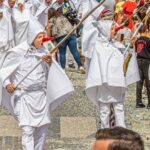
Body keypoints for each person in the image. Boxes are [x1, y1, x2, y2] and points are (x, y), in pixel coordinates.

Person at [0, 18, 74, 150]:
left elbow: (48, 75)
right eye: (39, 37)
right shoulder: (18, 52)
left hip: (40, 97)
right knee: (27, 130)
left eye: (43, 37)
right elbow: (4, 71)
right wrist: (7, 84)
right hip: (24, 97)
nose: (42, 39)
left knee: (42, 130)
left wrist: (49, 63)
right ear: (31, 37)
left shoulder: (44, 53)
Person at [85, 19, 139, 128]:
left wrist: (131, 46)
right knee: (104, 109)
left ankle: (121, 129)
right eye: (112, 29)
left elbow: (125, 58)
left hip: (117, 81)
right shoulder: (99, 46)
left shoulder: (116, 44)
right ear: (105, 30)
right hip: (105, 82)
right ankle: (104, 131)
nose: (115, 31)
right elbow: (97, 64)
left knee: (119, 107)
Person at [135, 25, 150, 109]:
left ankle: (138, 102)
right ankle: (149, 104)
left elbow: (136, 50)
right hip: (147, 61)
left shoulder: (137, 40)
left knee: (139, 82)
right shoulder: (148, 40)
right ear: (146, 30)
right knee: (148, 82)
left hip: (138, 61)